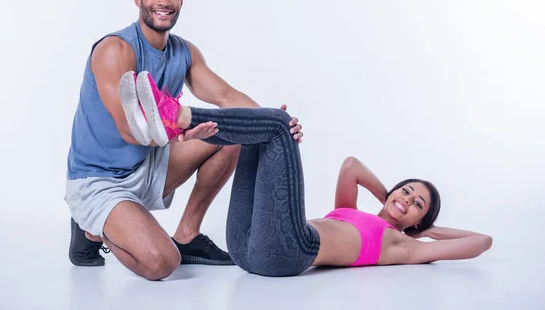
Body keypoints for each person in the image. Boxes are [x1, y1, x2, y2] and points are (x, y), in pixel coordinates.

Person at [64, 0, 305, 278]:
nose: (164, 1)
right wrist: (181, 130)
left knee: (232, 135)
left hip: (149, 163)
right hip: (99, 181)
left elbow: (228, 98)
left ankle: (187, 235)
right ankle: (91, 229)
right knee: (163, 263)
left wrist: (276, 123)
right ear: (139, 0)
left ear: (181, 1)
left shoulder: (184, 53)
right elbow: (127, 129)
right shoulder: (115, 50)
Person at [127, 70, 494, 277]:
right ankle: (175, 124)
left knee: (277, 123)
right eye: (407, 191)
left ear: (417, 220)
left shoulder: (403, 245)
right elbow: (351, 165)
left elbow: (482, 242)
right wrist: (387, 197)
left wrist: (426, 231)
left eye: (417, 204)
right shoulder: (352, 212)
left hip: (290, 252)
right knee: (263, 128)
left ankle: (176, 117)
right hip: (246, 248)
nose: (407, 200)